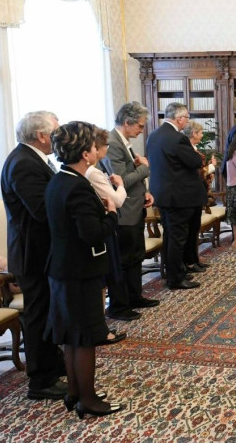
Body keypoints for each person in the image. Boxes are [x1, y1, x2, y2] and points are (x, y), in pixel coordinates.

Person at [44, 121, 124, 419]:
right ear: (85, 153)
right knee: (86, 337)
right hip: (79, 271)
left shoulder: (58, 180)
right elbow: (91, 234)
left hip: (63, 268)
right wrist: (111, 215)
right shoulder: (77, 186)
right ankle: (88, 400)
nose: (95, 150)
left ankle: (75, 392)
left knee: (72, 337)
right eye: (92, 145)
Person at [0, 110, 67, 400]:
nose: (60, 136)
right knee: (38, 315)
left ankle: (53, 363)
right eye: (56, 131)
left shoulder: (31, 158)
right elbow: (41, 210)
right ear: (41, 136)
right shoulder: (23, 163)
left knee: (48, 310)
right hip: (32, 253)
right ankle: (40, 380)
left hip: (40, 250)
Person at [106, 102, 159, 317]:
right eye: (140, 126)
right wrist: (145, 167)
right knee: (124, 260)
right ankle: (120, 306)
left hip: (135, 208)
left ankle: (135, 296)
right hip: (124, 213)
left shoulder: (123, 141)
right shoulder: (112, 144)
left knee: (136, 256)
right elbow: (121, 181)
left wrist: (145, 192)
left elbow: (131, 176)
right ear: (127, 122)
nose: (141, 130)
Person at [146, 102, 205, 290]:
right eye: (186, 118)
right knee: (177, 238)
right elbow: (195, 161)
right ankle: (176, 278)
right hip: (179, 196)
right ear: (179, 119)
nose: (187, 121)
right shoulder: (177, 138)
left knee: (170, 236)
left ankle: (173, 272)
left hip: (162, 195)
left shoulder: (153, 135)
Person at [85, 128, 133, 336]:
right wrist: (120, 185)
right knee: (105, 278)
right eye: (104, 146)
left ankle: (100, 323)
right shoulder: (93, 172)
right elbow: (116, 201)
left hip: (104, 225)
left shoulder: (95, 169)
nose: (106, 149)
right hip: (104, 227)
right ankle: (100, 325)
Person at [181, 120, 217, 269]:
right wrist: (211, 167)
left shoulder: (194, 149)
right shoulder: (187, 150)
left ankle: (194, 260)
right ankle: (189, 262)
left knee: (195, 228)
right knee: (190, 230)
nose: (202, 135)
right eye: (201, 132)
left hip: (196, 194)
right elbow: (197, 173)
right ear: (194, 133)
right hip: (189, 194)